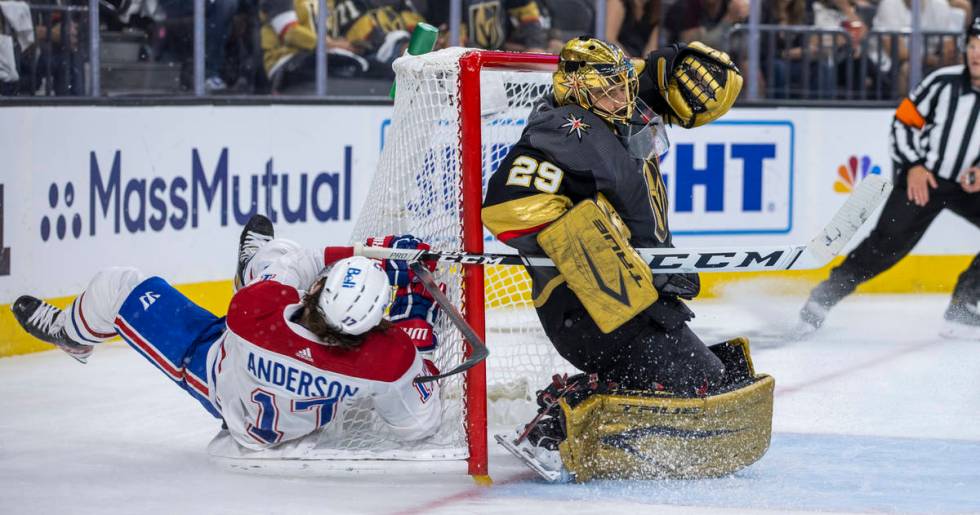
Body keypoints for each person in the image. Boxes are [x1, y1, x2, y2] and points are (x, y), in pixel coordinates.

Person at [482, 37, 774, 481]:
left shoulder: (610, 119)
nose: (623, 98)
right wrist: (617, 246)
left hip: (628, 311)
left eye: (625, 87)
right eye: (609, 91)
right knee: (696, 390)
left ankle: (574, 406)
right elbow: (504, 209)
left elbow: (638, 85)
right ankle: (554, 428)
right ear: (577, 90)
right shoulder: (559, 131)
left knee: (717, 382)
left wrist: (669, 64)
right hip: (585, 314)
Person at [10, 214, 444, 450]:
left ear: (316, 292)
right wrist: (416, 320)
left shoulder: (257, 310)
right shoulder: (384, 359)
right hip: (294, 417)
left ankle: (72, 334)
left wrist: (367, 251)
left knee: (116, 285)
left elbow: (301, 262)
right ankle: (255, 265)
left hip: (220, 377)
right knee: (277, 266)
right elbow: (417, 425)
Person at [797, 17, 980, 340]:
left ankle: (964, 305)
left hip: (968, 186)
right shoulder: (943, 83)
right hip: (925, 179)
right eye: (973, 45)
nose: (977, 53)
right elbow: (902, 123)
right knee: (884, 246)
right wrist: (913, 166)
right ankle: (822, 299)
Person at [424, 0, 547, 52]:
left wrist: (535, 46)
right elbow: (450, 35)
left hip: (501, 61)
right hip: (463, 64)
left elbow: (528, 15)